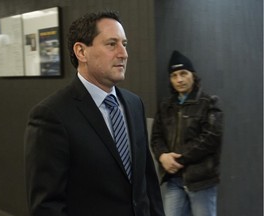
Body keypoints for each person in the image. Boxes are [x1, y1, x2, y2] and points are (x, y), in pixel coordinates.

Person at [24, 10, 165, 216]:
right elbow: (47, 206)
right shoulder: (51, 116)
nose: (123, 53)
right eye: (111, 44)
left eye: (124, 44)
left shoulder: (135, 105)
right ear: (81, 52)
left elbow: (148, 182)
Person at [150, 50, 223, 216]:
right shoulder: (165, 106)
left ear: (193, 75)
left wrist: (177, 159)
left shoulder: (209, 103)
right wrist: (162, 157)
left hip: (201, 181)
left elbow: (211, 138)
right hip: (174, 180)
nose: (179, 80)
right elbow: (156, 137)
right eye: (174, 75)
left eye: (183, 73)